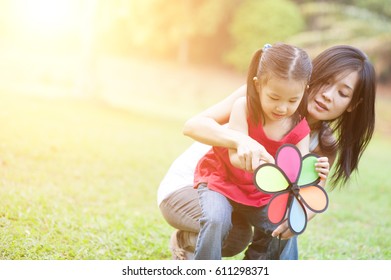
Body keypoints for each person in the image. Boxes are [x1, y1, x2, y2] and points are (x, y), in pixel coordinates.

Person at [158, 44, 376, 259]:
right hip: (195, 186)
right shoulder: (258, 96)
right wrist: (242, 141)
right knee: (234, 234)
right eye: (326, 82)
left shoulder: (322, 144)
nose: (328, 95)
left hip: (243, 197)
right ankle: (185, 242)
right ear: (310, 79)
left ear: (352, 104)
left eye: (342, 93)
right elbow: (193, 125)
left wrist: (304, 212)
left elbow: (306, 197)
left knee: (280, 222)